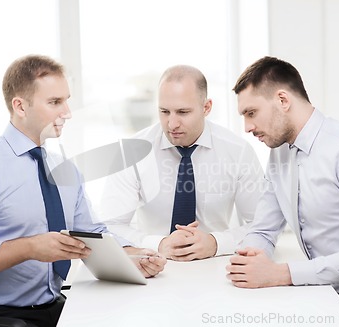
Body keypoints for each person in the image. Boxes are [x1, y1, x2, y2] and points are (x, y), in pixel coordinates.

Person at [0, 54, 166, 327]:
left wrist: (135, 255)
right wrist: (30, 247)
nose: (67, 112)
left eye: (66, 100)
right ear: (20, 106)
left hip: (54, 308)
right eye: (55, 102)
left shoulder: (65, 170)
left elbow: (91, 233)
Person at [226, 56, 339, 326]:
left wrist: (281, 274)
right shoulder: (279, 156)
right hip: (325, 297)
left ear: (282, 100)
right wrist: (250, 259)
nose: (247, 127)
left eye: (251, 113)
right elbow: (263, 229)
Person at [100, 65, 264, 261]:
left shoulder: (238, 152)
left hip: (216, 267)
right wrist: (158, 244)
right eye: (164, 111)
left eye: (183, 112)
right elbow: (109, 227)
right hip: (150, 265)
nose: (172, 124)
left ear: (206, 108)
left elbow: (263, 225)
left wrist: (216, 243)